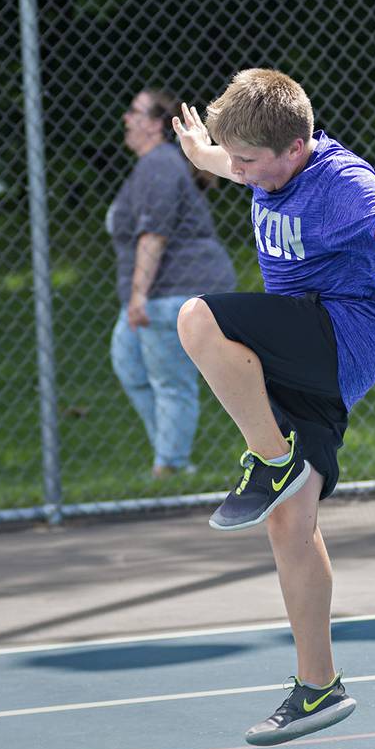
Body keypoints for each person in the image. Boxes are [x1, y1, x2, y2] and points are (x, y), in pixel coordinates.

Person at [171, 69, 375, 745]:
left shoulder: (342, 181)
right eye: (238, 161)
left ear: (295, 147)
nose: (242, 174)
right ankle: (319, 686)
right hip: (307, 348)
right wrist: (202, 151)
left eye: (251, 163)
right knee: (291, 522)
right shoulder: (263, 158)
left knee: (198, 320)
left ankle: (269, 457)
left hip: (342, 331)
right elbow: (223, 157)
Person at [108, 88, 236, 478]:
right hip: (159, 292)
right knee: (128, 362)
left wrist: (138, 298)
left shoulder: (159, 164)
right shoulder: (153, 164)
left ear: (153, 124)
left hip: (175, 291)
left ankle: (171, 466)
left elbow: (154, 235)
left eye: (134, 111)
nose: (126, 119)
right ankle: (168, 450)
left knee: (170, 381)